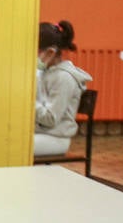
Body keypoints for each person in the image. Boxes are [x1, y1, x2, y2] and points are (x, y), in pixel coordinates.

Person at [35, 20, 92, 158]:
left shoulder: (64, 78)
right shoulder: (45, 72)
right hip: (41, 134)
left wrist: (25, 103)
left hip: (55, 138)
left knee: (11, 148)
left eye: (35, 51)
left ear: (50, 52)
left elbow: (50, 118)